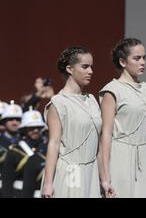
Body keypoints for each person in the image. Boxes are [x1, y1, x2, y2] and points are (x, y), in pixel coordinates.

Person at [99, 38, 146, 198]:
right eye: (137, 58)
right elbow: (105, 134)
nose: (142, 62)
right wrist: (105, 176)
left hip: (145, 158)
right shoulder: (112, 90)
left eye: (144, 57)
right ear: (123, 61)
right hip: (121, 157)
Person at [41, 47, 102, 198]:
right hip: (71, 172)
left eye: (91, 67)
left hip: (91, 172)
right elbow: (53, 143)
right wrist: (48, 183)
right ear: (69, 69)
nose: (91, 71)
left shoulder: (92, 100)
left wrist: (104, 179)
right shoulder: (58, 103)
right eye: (85, 66)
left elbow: (99, 142)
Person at [1, 109, 46, 198]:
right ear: (24, 129)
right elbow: (7, 181)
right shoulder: (15, 151)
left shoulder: (46, 148)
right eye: (32, 128)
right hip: (19, 193)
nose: (36, 130)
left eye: (38, 127)